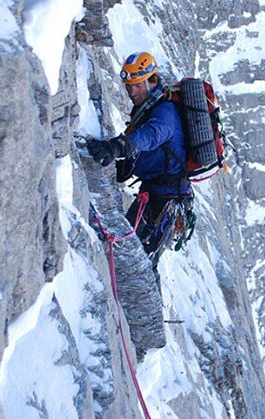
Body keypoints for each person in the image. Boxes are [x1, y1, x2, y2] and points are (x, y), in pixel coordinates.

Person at [87, 51, 193, 285]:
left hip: (166, 202)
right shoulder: (148, 108)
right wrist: (114, 148)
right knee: (130, 253)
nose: (131, 92)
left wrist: (118, 148)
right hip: (155, 195)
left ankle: (148, 318)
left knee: (140, 261)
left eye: (136, 85)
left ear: (152, 80)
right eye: (128, 86)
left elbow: (150, 136)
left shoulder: (164, 112)